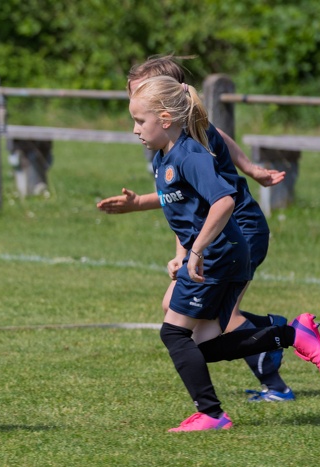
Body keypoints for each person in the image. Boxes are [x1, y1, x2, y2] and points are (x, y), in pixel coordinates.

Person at [128, 75, 320, 432]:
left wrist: (197, 251)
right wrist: (182, 251)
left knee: (174, 334)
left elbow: (224, 202)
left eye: (139, 121)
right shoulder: (163, 158)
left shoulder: (191, 155)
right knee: (203, 346)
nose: (134, 130)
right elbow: (183, 212)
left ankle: (211, 414)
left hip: (220, 254)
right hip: (219, 254)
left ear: (165, 119)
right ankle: (291, 334)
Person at [98, 55, 295, 402]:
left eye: (140, 99)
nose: (135, 119)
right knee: (188, 320)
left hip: (237, 229)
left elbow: (213, 202)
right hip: (215, 231)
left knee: (212, 321)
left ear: (166, 102)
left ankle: (277, 358)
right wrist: (177, 246)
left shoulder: (190, 139)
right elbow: (183, 204)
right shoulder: (169, 143)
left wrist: (251, 170)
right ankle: (276, 335)